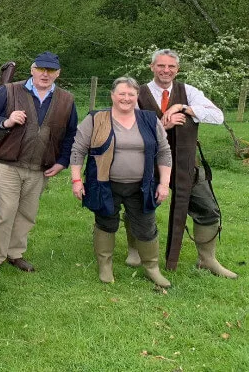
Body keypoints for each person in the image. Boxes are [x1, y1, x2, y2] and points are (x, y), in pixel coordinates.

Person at [131, 49, 236, 278]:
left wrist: (183, 108)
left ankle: (207, 260)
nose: (166, 70)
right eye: (161, 66)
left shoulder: (188, 92)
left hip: (186, 163)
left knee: (208, 209)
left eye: (171, 66)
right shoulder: (138, 93)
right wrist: (162, 125)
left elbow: (217, 116)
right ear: (152, 67)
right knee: (138, 205)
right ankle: (136, 251)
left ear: (177, 69)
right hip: (148, 163)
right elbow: (128, 128)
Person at [0, 51, 77, 274]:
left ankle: (15, 253)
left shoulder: (66, 100)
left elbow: (71, 135)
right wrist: (5, 121)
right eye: (40, 69)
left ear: (57, 73)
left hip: (40, 167)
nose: (45, 74)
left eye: (50, 70)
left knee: (27, 213)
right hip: (7, 164)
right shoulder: (9, 90)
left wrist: (62, 161)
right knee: (4, 211)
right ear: (32, 70)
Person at [70, 77, 172, 287]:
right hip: (105, 184)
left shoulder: (149, 120)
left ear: (137, 97)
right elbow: (78, 150)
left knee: (146, 227)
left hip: (142, 186)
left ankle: (152, 267)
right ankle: (105, 266)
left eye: (131, 94)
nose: (126, 98)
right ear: (113, 95)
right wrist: (77, 180)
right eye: (122, 94)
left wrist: (163, 183)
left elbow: (164, 152)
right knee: (106, 223)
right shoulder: (95, 118)